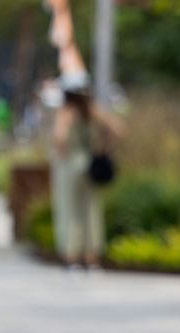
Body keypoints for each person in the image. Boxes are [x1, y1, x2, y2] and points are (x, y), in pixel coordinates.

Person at [49, 71, 123, 271]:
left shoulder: (65, 112)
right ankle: (91, 258)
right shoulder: (92, 110)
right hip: (89, 164)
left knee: (69, 210)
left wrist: (62, 153)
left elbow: (59, 138)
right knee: (90, 211)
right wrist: (103, 148)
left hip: (69, 166)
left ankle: (71, 257)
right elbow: (117, 129)